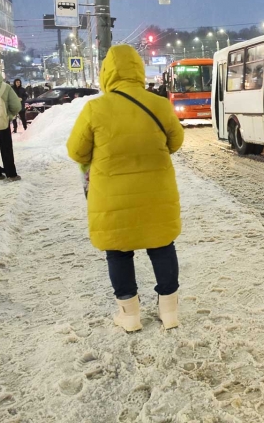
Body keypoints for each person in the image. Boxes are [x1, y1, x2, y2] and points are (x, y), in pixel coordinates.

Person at [67, 45, 184, 333]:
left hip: (111, 197)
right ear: (139, 70)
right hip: (157, 193)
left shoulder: (95, 108)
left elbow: (76, 151)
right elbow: (176, 142)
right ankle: (169, 312)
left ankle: (129, 315)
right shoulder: (158, 104)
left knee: (118, 252)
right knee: (162, 246)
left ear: (106, 72)